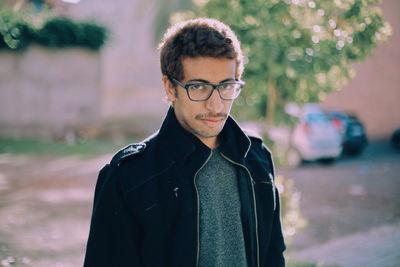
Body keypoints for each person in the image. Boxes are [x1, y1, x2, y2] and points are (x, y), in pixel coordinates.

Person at [84, 18, 286, 267]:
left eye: (226, 86)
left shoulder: (257, 159)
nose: (216, 105)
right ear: (170, 88)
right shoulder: (128, 176)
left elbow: (273, 256)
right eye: (199, 87)